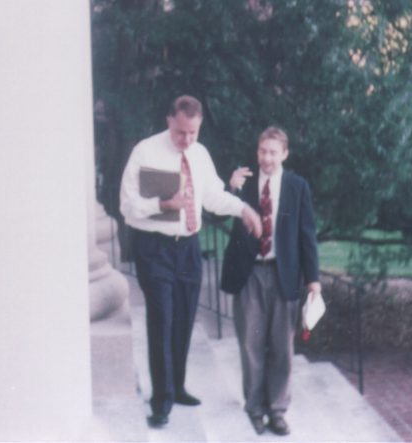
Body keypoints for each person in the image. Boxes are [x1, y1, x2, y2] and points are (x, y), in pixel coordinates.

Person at [120, 95, 262, 429]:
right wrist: (164, 203)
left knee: (183, 317)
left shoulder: (199, 154)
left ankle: (177, 386)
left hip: (188, 248)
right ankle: (161, 400)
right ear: (170, 119)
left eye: (193, 133)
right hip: (154, 247)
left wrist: (243, 209)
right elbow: (127, 205)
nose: (186, 140)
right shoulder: (145, 151)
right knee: (162, 318)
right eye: (182, 132)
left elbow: (212, 195)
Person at [220, 126, 320, 436]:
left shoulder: (297, 187)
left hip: (283, 273)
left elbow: (307, 235)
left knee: (281, 347)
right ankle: (254, 409)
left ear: (284, 154)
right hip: (249, 273)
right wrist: (230, 189)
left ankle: (277, 409)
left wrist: (313, 280)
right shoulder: (244, 185)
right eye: (262, 151)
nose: (267, 157)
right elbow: (217, 216)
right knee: (250, 344)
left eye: (273, 152)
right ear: (257, 152)